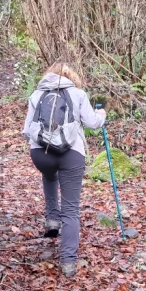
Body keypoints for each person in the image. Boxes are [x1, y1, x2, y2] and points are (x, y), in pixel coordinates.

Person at [22, 62, 106, 277]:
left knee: (49, 174)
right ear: (71, 77)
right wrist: (102, 113)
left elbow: (26, 130)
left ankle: (52, 219)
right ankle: (68, 263)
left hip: (41, 154)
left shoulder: (36, 94)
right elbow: (93, 123)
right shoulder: (78, 94)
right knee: (71, 208)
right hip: (72, 154)